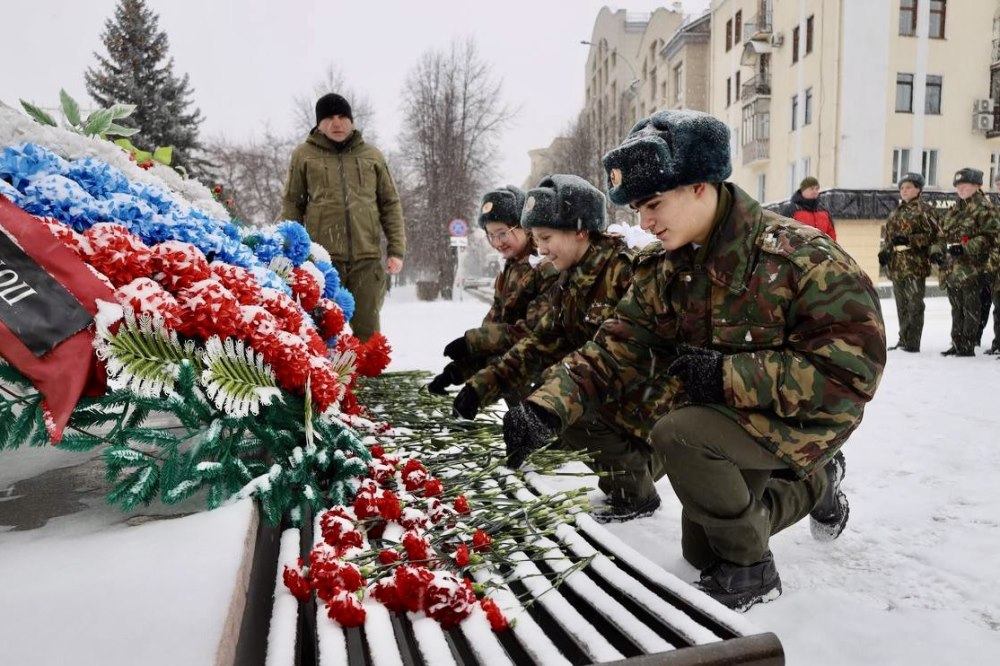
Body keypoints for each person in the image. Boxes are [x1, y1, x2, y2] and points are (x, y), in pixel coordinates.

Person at [503, 110, 886, 611]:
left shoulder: (799, 258)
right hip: (735, 414)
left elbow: (852, 374)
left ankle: (752, 572)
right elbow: (616, 345)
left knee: (677, 432)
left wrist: (728, 377)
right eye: (639, 208)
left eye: (654, 204)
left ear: (702, 187)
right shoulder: (667, 269)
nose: (645, 222)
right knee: (701, 546)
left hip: (809, 413)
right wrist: (546, 408)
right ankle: (816, 484)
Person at [453, 174, 665, 522]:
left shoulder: (625, 272)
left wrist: (549, 407)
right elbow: (540, 342)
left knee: (570, 400)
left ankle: (635, 491)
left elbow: (623, 359)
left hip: (653, 407)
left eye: (546, 238)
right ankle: (622, 466)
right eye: (536, 240)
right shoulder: (573, 277)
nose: (540, 249)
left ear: (580, 230)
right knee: (558, 392)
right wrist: (480, 388)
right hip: (616, 392)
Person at [280, 93, 405, 341]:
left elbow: (390, 203)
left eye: (342, 117)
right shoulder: (304, 155)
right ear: (319, 123)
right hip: (322, 261)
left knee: (368, 333)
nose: (337, 123)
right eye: (329, 118)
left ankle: (369, 378)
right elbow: (293, 204)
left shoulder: (372, 156)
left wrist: (396, 250)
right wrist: (289, 250)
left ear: (352, 120)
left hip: (366, 260)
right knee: (320, 330)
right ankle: (324, 379)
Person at [427, 185, 558, 397]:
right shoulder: (509, 269)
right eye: (491, 235)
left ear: (525, 227)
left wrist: (472, 342)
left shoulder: (545, 267)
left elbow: (532, 333)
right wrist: (458, 371)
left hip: (544, 384)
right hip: (514, 378)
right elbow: (494, 330)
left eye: (503, 233)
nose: (497, 243)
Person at [930, 168, 998, 357]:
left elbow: (992, 237)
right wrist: (936, 251)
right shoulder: (954, 210)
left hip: (973, 268)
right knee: (956, 308)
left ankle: (967, 345)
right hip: (952, 267)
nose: (960, 189)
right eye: (958, 186)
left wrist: (966, 247)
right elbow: (940, 234)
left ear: (977, 186)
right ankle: (957, 342)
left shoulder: (985, 208)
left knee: (971, 308)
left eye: (965, 185)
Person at [878, 172, 940, 352]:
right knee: (901, 305)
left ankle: (912, 342)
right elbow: (889, 238)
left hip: (915, 264)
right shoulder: (895, 212)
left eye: (909, 187)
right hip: (897, 265)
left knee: (914, 304)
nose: (904, 191)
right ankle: (903, 339)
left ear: (918, 189)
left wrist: (910, 241)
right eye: (902, 188)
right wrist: (885, 252)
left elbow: (934, 236)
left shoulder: (925, 210)